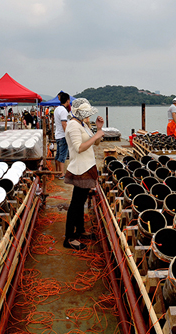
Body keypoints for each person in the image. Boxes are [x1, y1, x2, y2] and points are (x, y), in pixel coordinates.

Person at [63, 98, 104, 250]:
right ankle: (69, 238)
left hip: (88, 166)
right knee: (76, 204)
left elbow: (96, 142)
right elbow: (79, 147)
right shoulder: (73, 126)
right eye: (86, 114)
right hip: (80, 169)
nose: (88, 117)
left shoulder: (83, 124)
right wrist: (95, 135)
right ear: (78, 113)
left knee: (80, 203)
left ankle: (80, 230)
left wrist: (98, 129)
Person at [54, 93, 71, 179]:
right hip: (62, 135)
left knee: (58, 155)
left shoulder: (57, 109)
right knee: (62, 156)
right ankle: (61, 174)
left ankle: (57, 172)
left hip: (58, 135)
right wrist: (68, 135)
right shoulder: (64, 111)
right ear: (67, 100)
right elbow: (64, 124)